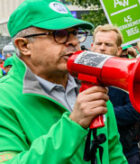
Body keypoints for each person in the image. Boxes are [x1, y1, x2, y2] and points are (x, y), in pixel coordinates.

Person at [0, 0, 127, 163]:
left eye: (75, 33)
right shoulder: (4, 100)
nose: (74, 41)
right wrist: (74, 125)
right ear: (24, 46)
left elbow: (113, 153)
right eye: (59, 34)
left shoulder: (91, 85)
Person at [91, 24, 140, 164]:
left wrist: (98, 113)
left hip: (126, 152)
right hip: (91, 153)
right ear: (92, 46)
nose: (102, 48)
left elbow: (134, 110)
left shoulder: (129, 74)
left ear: (118, 50)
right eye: (98, 43)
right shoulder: (78, 74)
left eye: (108, 44)